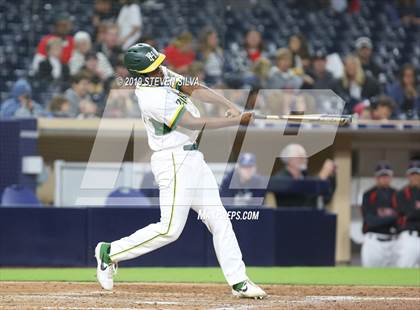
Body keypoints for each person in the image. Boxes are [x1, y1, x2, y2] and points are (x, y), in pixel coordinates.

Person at [94, 43, 266, 299]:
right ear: (139, 74)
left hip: (193, 157)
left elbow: (194, 87)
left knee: (219, 219)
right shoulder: (150, 97)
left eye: (157, 65)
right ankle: (109, 252)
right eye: (151, 70)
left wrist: (228, 103)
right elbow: (193, 122)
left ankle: (239, 281)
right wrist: (235, 121)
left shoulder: (161, 73)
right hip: (172, 160)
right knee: (170, 230)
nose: (158, 72)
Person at [268, 144, 336, 207]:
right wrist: (321, 178)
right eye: (300, 157)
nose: (305, 160)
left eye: (305, 157)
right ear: (290, 160)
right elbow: (301, 199)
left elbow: (325, 199)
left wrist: (331, 177)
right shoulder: (281, 178)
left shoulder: (305, 177)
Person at [360, 162, 398, 267]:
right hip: (373, 241)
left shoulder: (397, 194)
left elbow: (401, 221)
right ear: (376, 177)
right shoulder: (368, 195)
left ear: (391, 177)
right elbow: (371, 221)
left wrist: (382, 218)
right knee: (369, 278)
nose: (384, 178)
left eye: (386, 176)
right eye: (381, 176)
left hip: (394, 241)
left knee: (395, 279)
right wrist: (393, 217)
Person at [393, 160, 420, 268]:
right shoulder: (401, 193)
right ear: (408, 176)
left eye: (417, 174)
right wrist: (413, 212)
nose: (414, 177)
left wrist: (414, 210)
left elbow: (412, 212)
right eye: (411, 174)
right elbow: (406, 212)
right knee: (405, 271)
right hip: (410, 238)